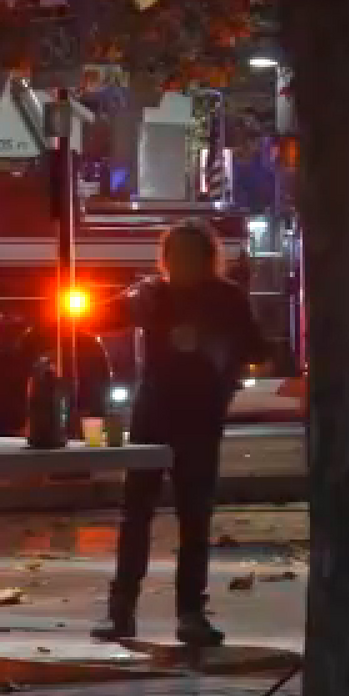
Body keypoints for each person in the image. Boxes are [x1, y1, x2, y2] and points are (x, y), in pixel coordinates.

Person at [89, 220, 266, 647]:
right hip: (154, 413)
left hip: (201, 416)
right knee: (136, 514)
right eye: (174, 256)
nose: (180, 265)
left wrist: (208, 346)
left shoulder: (226, 299)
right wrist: (125, 300)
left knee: (194, 515)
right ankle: (121, 611)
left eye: (190, 256)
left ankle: (190, 613)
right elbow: (95, 319)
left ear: (207, 260)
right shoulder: (154, 294)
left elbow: (256, 349)